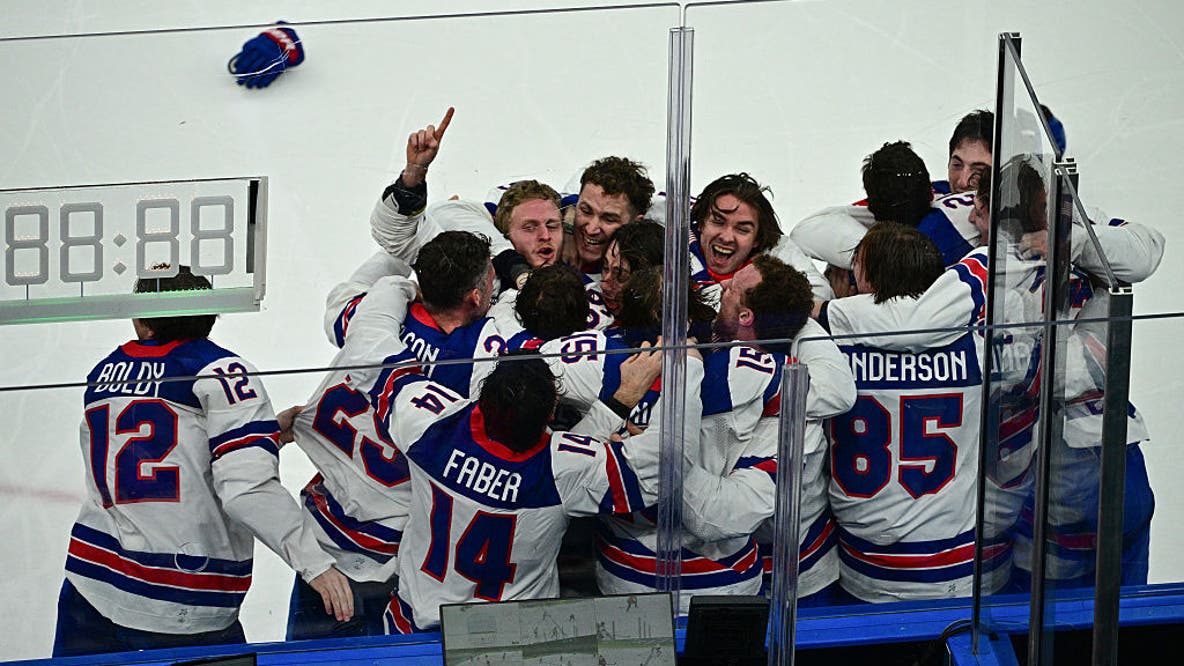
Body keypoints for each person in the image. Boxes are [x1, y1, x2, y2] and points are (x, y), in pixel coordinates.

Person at [344, 275, 690, 631]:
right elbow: (663, 468)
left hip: (414, 629)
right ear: (552, 417)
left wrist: (395, 285)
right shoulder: (561, 467)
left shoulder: (430, 423)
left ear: (483, 398)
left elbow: (367, 345)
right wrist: (685, 366)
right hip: (513, 643)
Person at [54, 266, 352, 657]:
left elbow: (147, 455)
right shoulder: (222, 373)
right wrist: (315, 564)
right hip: (181, 596)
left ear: (141, 320)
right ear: (210, 316)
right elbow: (246, 489)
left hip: (91, 584)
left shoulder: (104, 373)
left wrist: (260, 436)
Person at [284, 230, 504, 638]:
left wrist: (403, 282)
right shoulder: (479, 364)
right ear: (475, 296)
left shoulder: (366, 318)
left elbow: (357, 286)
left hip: (325, 538)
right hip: (396, 558)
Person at [816, 224, 1003, 602]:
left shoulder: (829, 347)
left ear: (865, 276)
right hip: (955, 565)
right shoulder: (980, 346)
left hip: (865, 564)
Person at [688, 173, 832, 308]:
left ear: (757, 239)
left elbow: (819, 293)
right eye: (718, 222)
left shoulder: (776, 252)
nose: (726, 238)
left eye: (742, 229)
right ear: (701, 223)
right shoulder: (676, 243)